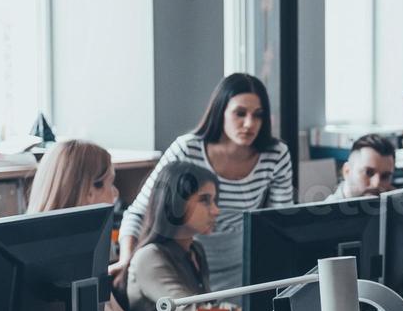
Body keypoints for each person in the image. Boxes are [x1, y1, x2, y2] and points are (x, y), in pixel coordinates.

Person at [116, 73, 292, 291]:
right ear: (221, 112)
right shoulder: (187, 149)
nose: (249, 124)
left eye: (258, 115)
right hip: (187, 265)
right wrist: (126, 260)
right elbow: (138, 212)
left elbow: (281, 223)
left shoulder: (275, 154)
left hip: (244, 268)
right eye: (240, 113)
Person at [27, 140, 168, 311]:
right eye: (110, 183)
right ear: (87, 191)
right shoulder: (39, 265)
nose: (115, 194)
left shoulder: (87, 254)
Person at [125, 162, 234, 311]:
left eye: (214, 201)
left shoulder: (195, 250)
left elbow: (207, 306)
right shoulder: (148, 256)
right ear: (176, 204)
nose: (215, 210)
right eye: (205, 200)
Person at [326, 134, 396, 200]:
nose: (376, 184)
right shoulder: (325, 211)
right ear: (347, 171)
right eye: (368, 172)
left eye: (385, 176)